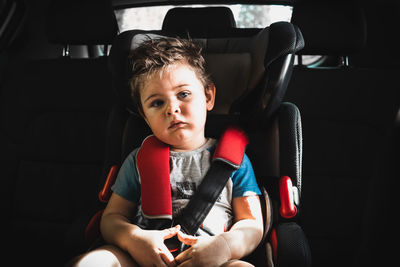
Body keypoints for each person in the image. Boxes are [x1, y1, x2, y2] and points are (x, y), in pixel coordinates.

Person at [70, 37, 263, 267]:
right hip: (143, 257)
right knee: (95, 261)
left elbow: (251, 224)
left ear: (208, 97)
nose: (172, 109)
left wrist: (225, 247)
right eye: (157, 103)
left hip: (212, 259)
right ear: (144, 116)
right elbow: (112, 219)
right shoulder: (138, 160)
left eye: (183, 94)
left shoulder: (233, 161)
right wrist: (135, 240)